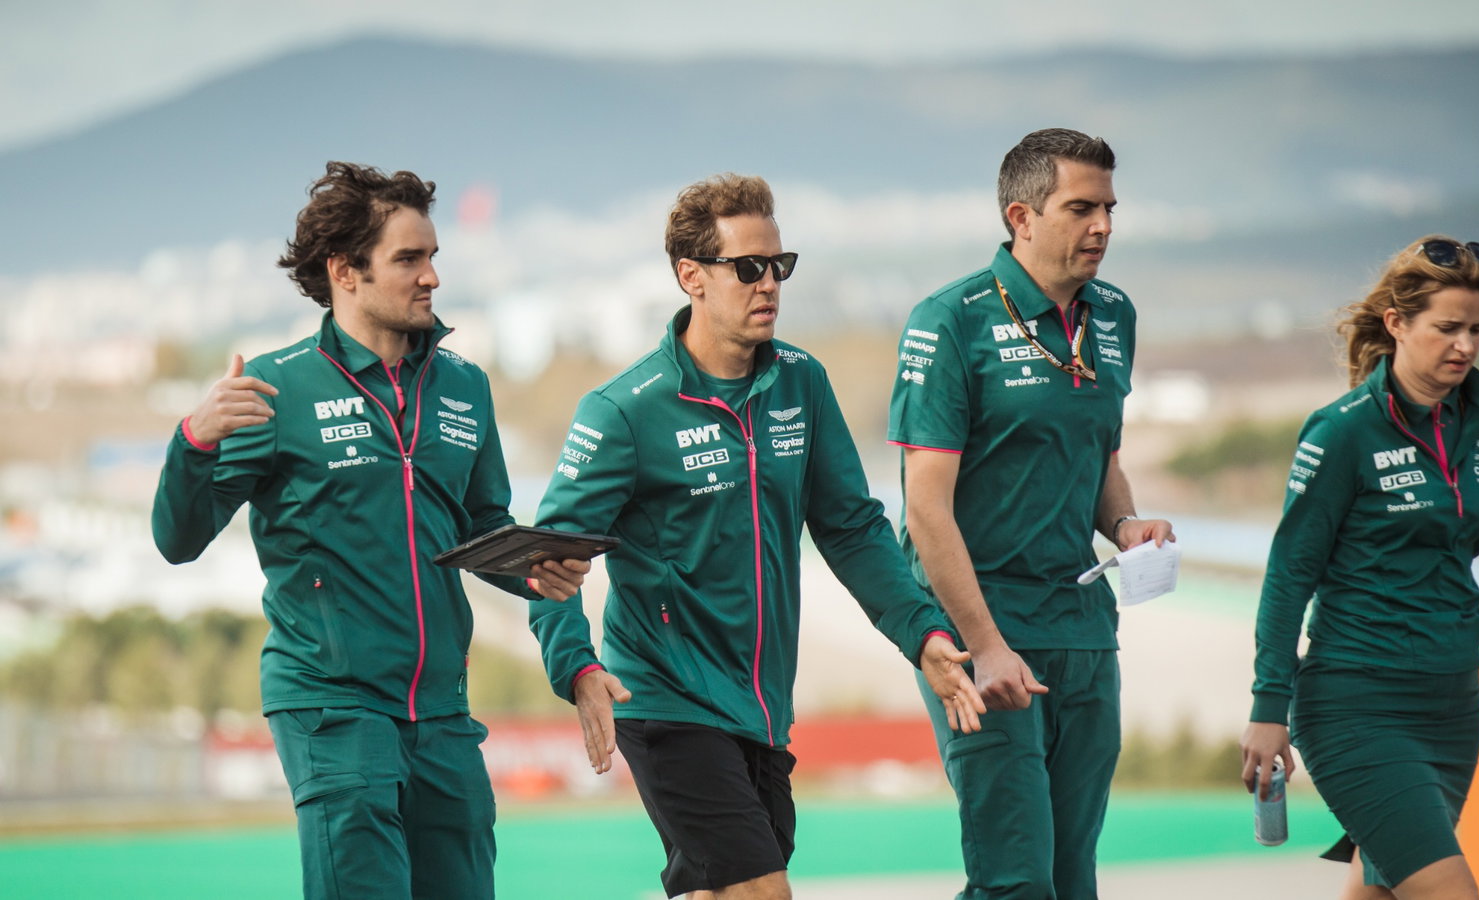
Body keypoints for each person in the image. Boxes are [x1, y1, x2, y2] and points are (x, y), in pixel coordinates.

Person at [528, 173, 985, 900]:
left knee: (715, 892)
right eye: (748, 267)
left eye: (780, 265)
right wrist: (576, 667)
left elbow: (854, 530)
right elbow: (547, 558)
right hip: (666, 701)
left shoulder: (802, 381)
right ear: (691, 277)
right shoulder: (623, 410)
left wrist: (922, 635)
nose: (769, 283)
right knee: (761, 892)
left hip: (764, 709)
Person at [151, 161, 589, 899]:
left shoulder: (464, 384)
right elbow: (177, 539)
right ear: (345, 272)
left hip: (445, 714)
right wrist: (194, 440)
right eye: (409, 259)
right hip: (333, 706)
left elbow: (481, 527)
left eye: (434, 257)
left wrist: (536, 566)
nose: (432, 278)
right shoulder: (275, 387)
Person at [1239, 235, 1479, 898]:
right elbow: (1289, 574)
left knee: (1377, 891)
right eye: (1447, 328)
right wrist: (1269, 706)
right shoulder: (1341, 430)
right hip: (1356, 703)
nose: (1464, 345)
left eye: (1477, 329)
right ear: (1397, 324)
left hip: (1454, 704)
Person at [887, 128, 1174, 899]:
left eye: (1110, 208)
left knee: (1071, 880)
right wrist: (983, 648)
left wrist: (1124, 525)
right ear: (1022, 215)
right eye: (1081, 208)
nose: (1103, 226)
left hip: (1083, 629)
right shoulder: (948, 320)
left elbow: (1101, 459)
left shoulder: (1114, 313)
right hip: (983, 634)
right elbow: (925, 512)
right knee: (1015, 882)